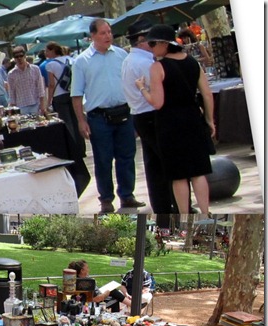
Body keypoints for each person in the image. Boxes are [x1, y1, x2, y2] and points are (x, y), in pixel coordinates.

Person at [136, 24, 214, 215]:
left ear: (164, 44)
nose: (151, 48)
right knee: (198, 172)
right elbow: (207, 94)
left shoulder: (158, 67)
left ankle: (185, 216)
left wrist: (142, 89)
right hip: (193, 119)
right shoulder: (193, 63)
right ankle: (205, 213)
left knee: (178, 175)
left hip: (169, 123)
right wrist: (210, 120)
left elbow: (157, 102)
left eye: (153, 43)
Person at [71, 18, 145, 215]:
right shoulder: (81, 61)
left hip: (124, 113)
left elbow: (132, 84)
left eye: (110, 32)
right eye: (103, 33)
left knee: (127, 156)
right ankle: (105, 199)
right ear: (92, 36)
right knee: (103, 160)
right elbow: (76, 94)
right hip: (98, 117)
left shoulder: (121, 55)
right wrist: (81, 120)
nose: (108, 36)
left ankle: (127, 195)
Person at [121, 20, 178, 220]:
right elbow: (160, 93)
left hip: (141, 115)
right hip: (151, 114)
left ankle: (164, 207)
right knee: (167, 164)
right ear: (141, 40)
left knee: (155, 165)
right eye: (151, 40)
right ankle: (173, 206)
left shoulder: (131, 60)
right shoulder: (146, 62)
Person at [44, 42, 85, 159]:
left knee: (67, 123)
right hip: (73, 94)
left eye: (47, 51)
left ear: (52, 51)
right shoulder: (71, 60)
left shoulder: (51, 65)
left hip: (59, 96)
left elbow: (51, 84)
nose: (46, 53)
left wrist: (49, 101)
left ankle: (73, 149)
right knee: (77, 120)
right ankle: (81, 148)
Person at [7, 45, 47, 116]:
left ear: (25, 56)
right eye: (16, 57)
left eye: (21, 56)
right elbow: (12, 93)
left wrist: (43, 106)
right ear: (14, 59)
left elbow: (41, 89)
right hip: (21, 107)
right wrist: (12, 110)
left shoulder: (35, 69)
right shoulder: (11, 74)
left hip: (36, 104)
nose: (19, 58)